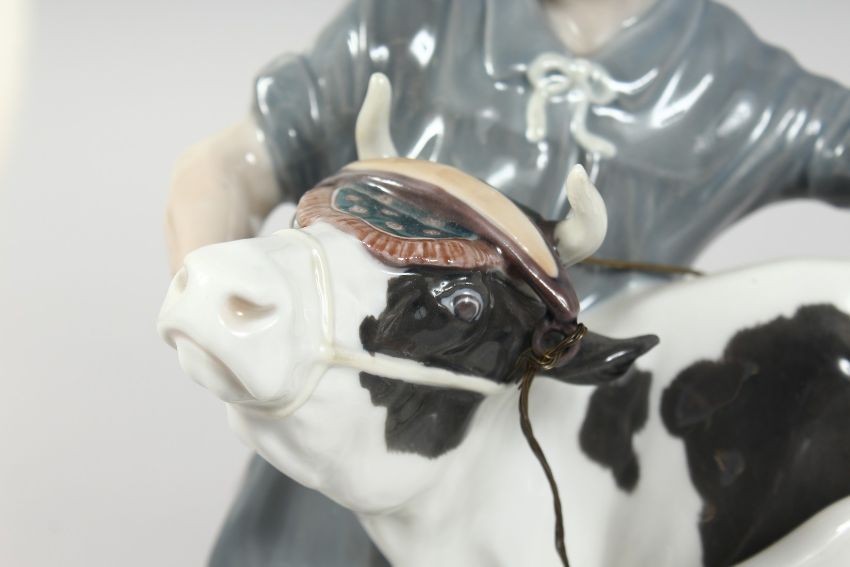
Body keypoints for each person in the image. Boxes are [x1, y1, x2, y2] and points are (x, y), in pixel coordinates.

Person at [165, 0, 850, 564]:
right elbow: (228, 166)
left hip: (563, 457)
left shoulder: (732, 77)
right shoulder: (408, 24)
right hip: (349, 421)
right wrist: (250, 314)